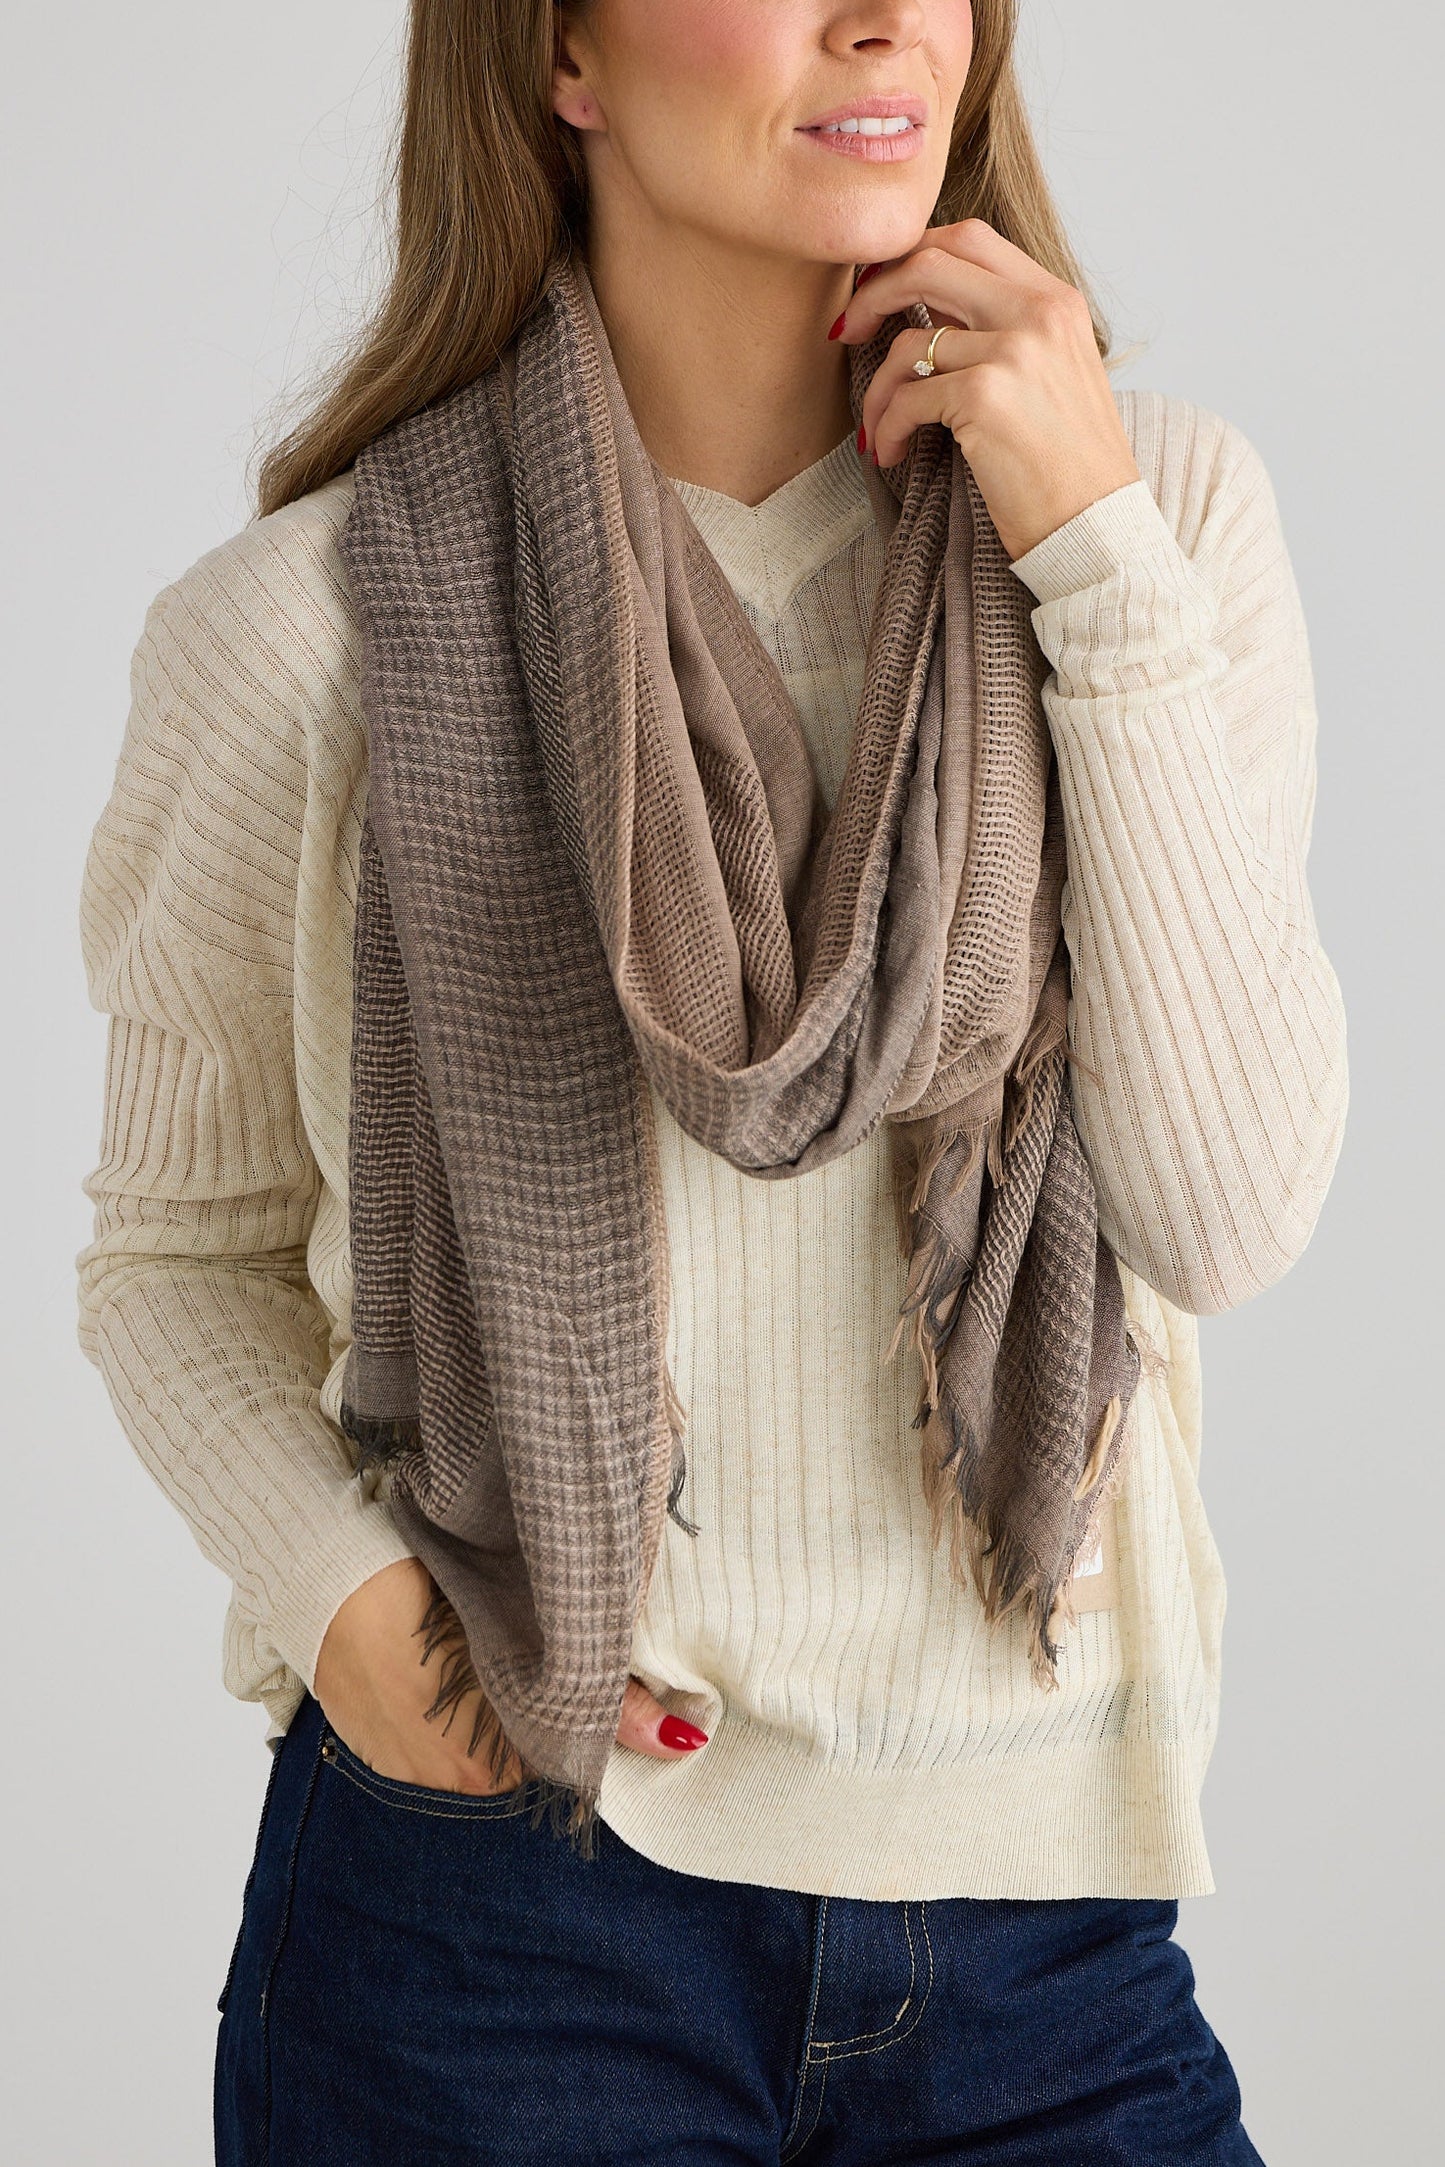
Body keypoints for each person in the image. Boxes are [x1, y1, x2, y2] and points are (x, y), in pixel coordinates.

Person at [76, 2, 1347, 2161]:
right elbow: (173, 1261)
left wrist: (1092, 550)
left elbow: (1222, 1218)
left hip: (1045, 1946)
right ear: (560, 56)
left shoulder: (1159, 525)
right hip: (498, 1935)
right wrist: (370, 1625)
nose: (879, 16)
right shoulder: (303, 633)